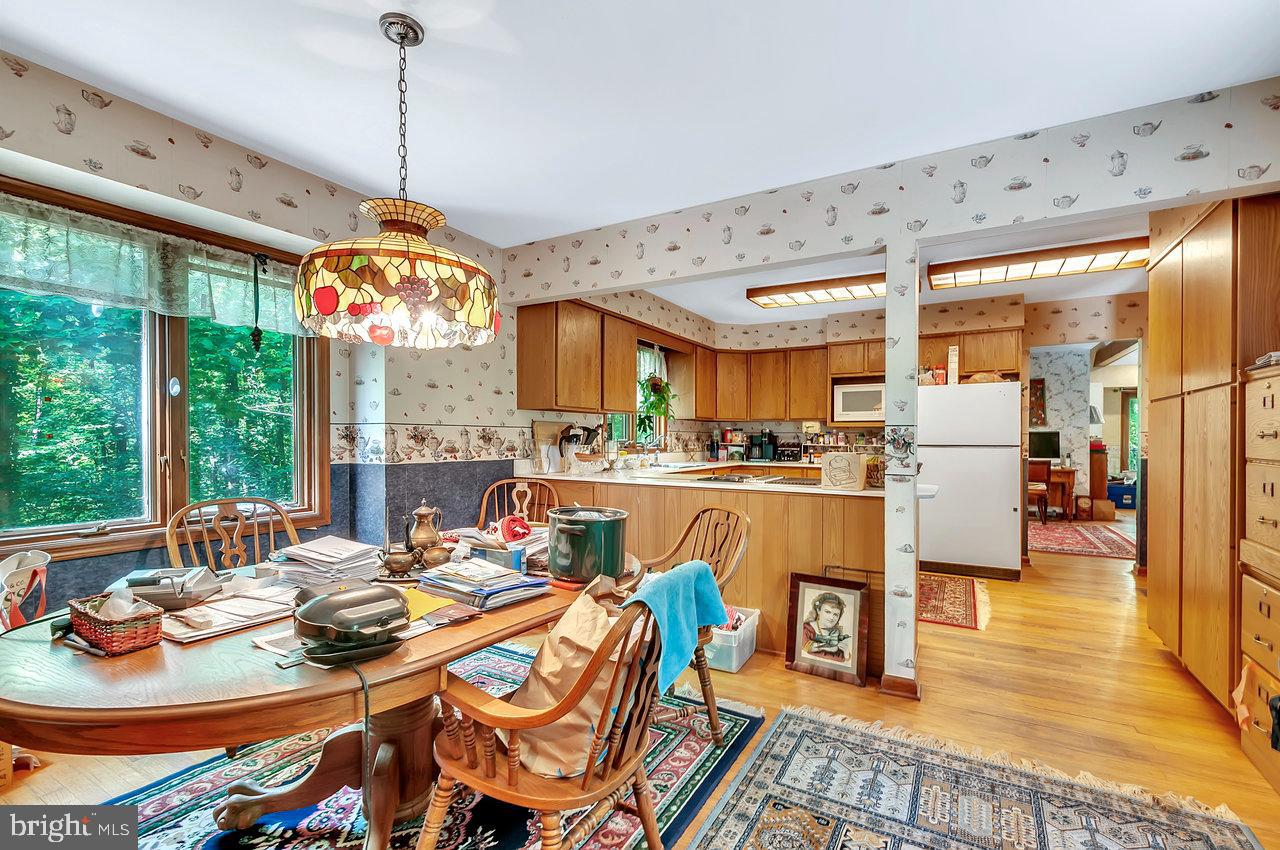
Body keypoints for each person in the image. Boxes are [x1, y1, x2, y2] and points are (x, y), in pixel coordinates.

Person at [802, 591, 850, 662]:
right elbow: (804, 648)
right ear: (818, 610)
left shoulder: (837, 632)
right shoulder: (807, 628)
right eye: (827, 612)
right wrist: (826, 647)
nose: (831, 618)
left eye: (836, 614)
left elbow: (844, 661)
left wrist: (846, 654)